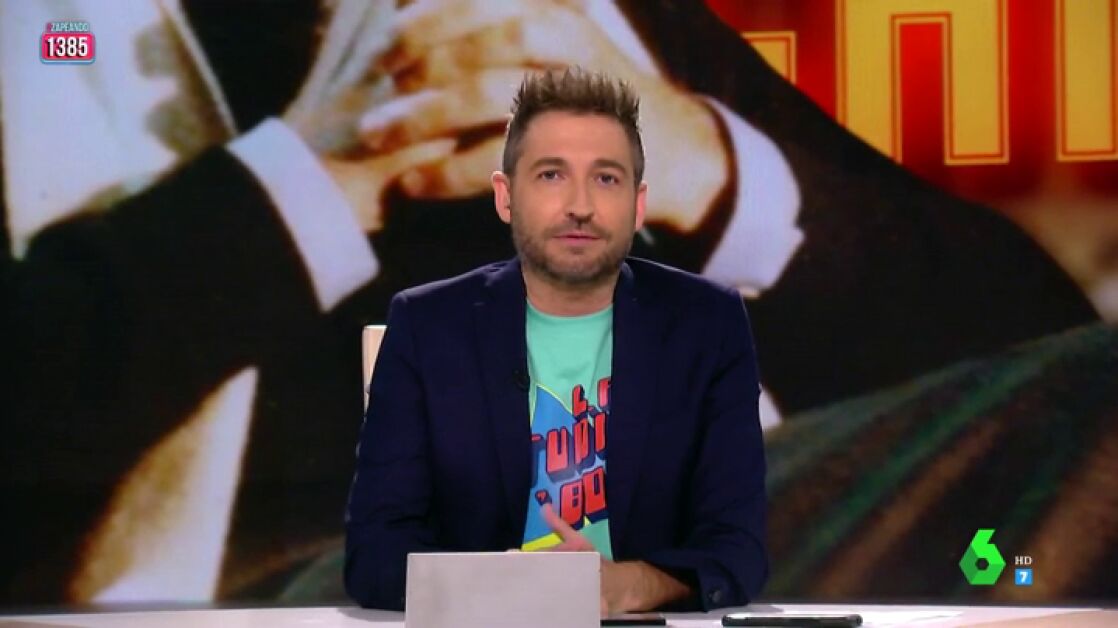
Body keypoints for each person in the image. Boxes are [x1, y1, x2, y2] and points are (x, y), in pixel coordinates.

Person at [344, 67, 768, 614]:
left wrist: (628, 585)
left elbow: (738, 549)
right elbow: (375, 554)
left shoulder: (707, 325)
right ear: (505, 197)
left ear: (638, 204)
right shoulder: (427, 327)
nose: (580, 205)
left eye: (606, 179)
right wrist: (517, 590)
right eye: (551, 175)